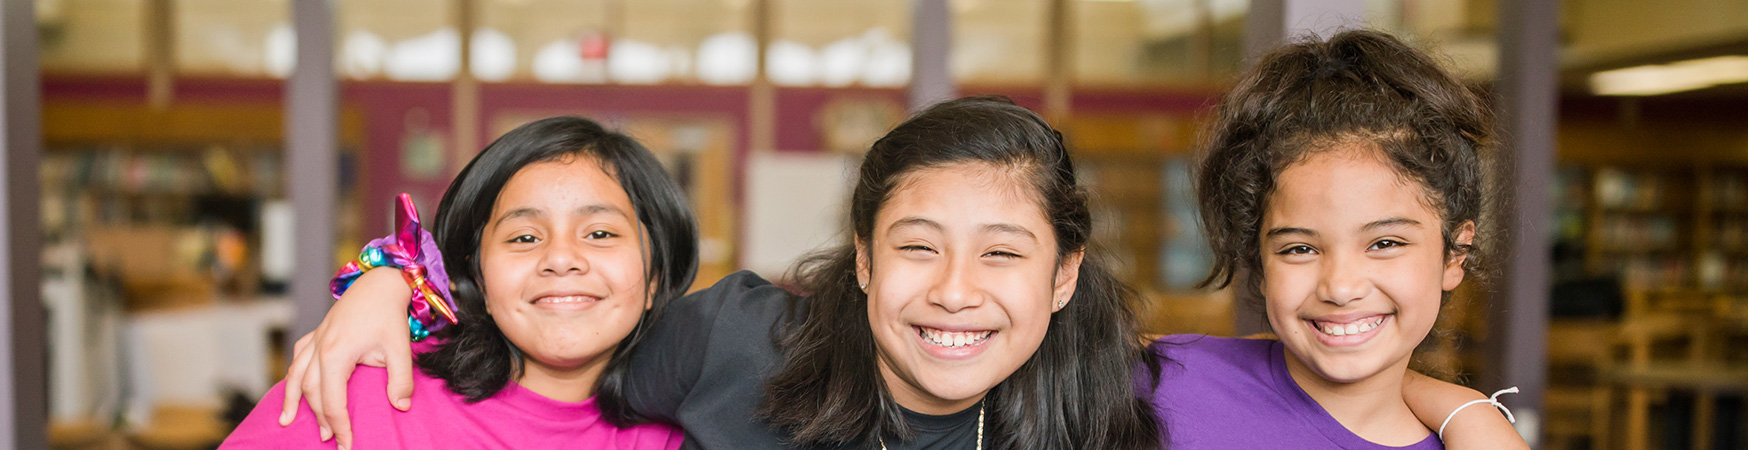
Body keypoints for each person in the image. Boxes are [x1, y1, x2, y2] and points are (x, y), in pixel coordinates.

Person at [282, 96, 1517, 450]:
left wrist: (1472, 414)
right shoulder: (733, 341)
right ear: (863, 264)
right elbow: (551, 316)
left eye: (1005, 254)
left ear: (1064, 275)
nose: (955, 293)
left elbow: (1333, 367)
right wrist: (383, 279)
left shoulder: (1122, 403)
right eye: (917, 249)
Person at [1150, 30, 1527, 448]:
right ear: (1259, 263)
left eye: (1385, 243)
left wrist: (1470, 415)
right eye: (1300, 249)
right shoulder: (1163, 382)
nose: (1341, 288)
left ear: (1455, 255)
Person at [222, 117, 694, 449]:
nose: (561, 259)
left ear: (655, 276)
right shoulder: (362, 391)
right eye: (525, 236)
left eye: (600, 234)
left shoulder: (692, 426)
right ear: (479, 278)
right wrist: (388, 277)